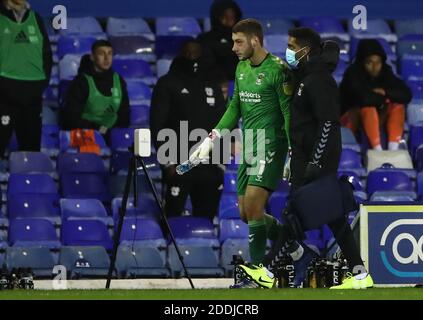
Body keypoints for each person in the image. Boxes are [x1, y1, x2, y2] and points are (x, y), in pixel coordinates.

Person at [240, 27, 374, 290]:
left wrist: (315, 161)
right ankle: (360, 274)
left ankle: (267, 271)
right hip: (307, 158)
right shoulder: (307, 77)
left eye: (292, 46)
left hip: (315, 161)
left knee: (294, 214)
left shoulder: (318, 81)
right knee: (333, 217)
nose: (289, 51)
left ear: (306, 49)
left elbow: (328, 124)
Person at [190, 19, 293, 288]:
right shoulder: (241, 68)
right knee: (246, 213)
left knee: (255, 206)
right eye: (233, 41)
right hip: (249, 144)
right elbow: (234, 107)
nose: (234, 47)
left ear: (255, 41)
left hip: (271, 144)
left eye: (239, 42)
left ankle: (258, 274)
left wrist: (292, 153)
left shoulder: (278, 70)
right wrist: (211, 139)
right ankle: (292, 243)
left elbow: (288, 115)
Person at [150, 40, 227, 220]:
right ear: (181, 55)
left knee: (206, 220)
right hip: (179, 165)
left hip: (209, 166)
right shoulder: (167, 83)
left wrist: (221, 164)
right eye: (187, 54)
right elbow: (157, 124)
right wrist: (168, 163)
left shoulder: (211, 85)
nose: (191, 58)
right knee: (172, 219)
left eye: (195, 54)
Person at [0, 0, 52, 157]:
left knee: (31, 152)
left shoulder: (36, 18)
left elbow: (47, 54)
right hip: (3, 96)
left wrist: (40, 84)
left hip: (32, 95)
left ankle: (29, 181)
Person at [340, 39, 412, 150]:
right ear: (362, 62)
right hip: (349, 121)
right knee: (368, 108)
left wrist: (385, 92)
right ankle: (377, 150)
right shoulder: (352, 74)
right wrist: (385, 98)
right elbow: (362, 99)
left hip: (375, 119)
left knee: (397, 106)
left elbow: (406, 94)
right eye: (370, 62)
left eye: (378, 62)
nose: (375, 67)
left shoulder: (386, 72)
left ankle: (394, 147)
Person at [62, 40, 129, 133]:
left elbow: (125, 114)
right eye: (101, 54)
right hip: (86, 135)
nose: (106, 58)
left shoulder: (119, 81)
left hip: (112, 136)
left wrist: (115, 134)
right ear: (93, 57)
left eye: (109, 54)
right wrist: (101, 130)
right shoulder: (81, 82)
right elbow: (71, 119)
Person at [197, 0, 242, 81]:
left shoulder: (245, 39)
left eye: (232, 16)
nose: (229, 19)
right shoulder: (205, 39)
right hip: (213, 84)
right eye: (224, 16)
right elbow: (205, 65)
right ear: (217, 17)